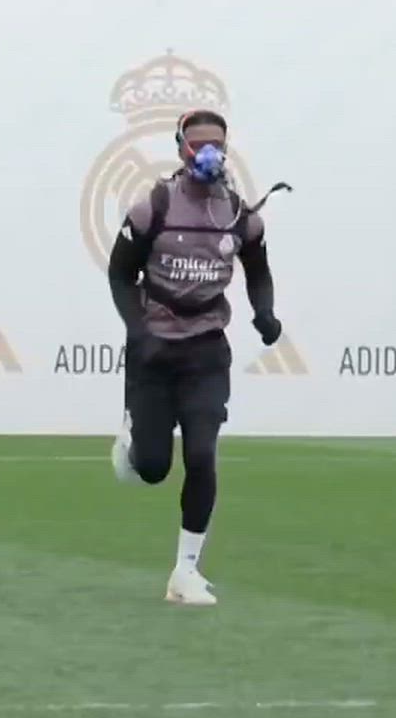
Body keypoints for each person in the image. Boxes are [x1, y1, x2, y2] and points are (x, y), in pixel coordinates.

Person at [106, 109, 282, 606]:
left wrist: (265, 313)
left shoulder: (239, 215)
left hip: (207, 350)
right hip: (155, 350)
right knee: (154, 467)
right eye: (197, 142)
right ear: (181, 147)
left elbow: (258, 272)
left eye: (216, 143)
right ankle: (133, 434)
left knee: (202, 454)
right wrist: (138, 332)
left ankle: (185, 571)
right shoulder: (153, 207)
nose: (207, 152)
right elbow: (120, 276)